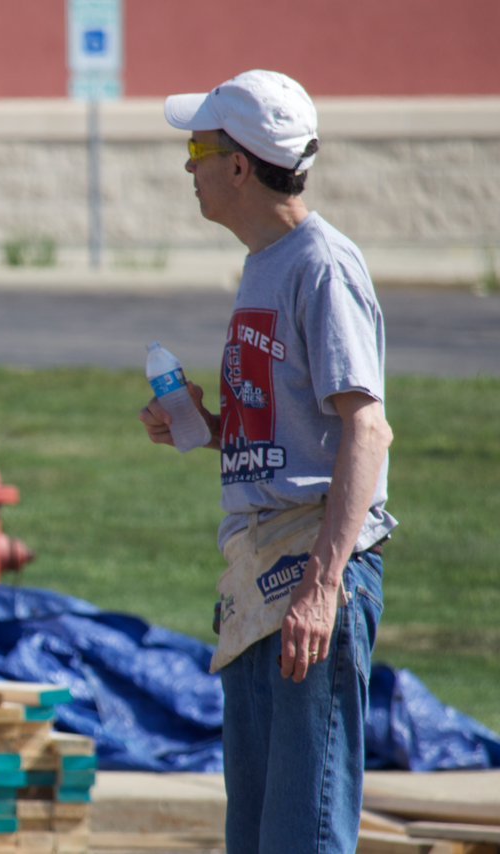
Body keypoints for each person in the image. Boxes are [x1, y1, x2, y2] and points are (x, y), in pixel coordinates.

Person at [139, 71, 395, 854]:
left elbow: (368, 430)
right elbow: (299, 421)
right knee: (254, 835)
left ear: (240, 165)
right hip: (258, 571)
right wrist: (213, 427)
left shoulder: (322, 264)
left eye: (198, 147)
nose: (189, 166)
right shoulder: (265, 264)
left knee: (302, 832)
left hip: (313, 573)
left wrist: (322, 590)